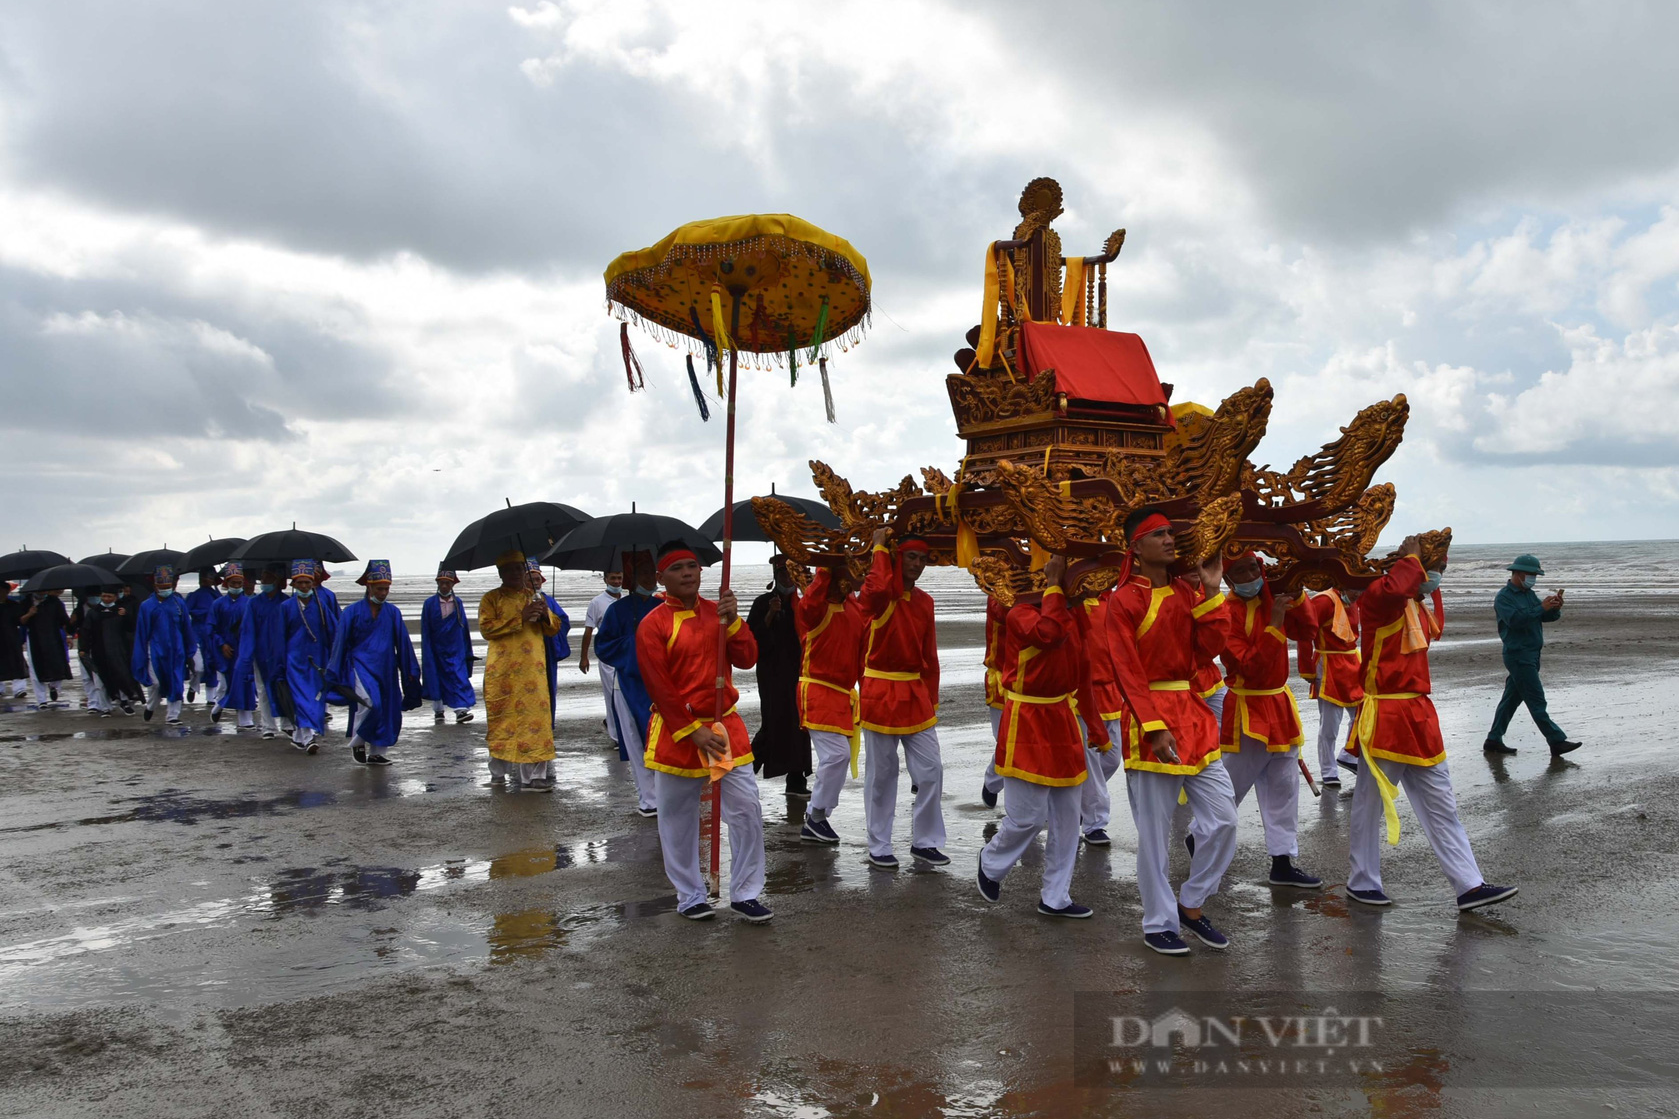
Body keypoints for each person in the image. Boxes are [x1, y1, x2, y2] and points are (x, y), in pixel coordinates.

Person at [1344, 535, 1517, 913]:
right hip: (1386, 714)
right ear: (1410, 566)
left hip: (1419, 716)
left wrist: (1422, 570)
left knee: (1442, 804)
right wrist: (1411, 558)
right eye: (1433, 568)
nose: (1435, 576)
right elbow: (1393, 591)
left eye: (1440, 570)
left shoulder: (1413, 604)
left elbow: (1432, 620)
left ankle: (1469, 886)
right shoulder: (1377, 597)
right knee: (1368, 804)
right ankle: (1362, 881)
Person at [1106, 507, 1236, 956]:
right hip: (1151, 722)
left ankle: (1192, 904)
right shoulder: (1122, 601)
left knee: (1224, 820)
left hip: (1193, 713)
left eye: (1170, 532)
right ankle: (1158, 921)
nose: (1168, 539)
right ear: (1135, 548)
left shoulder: (1186, 591)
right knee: (1154, 834)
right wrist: (1153, 727)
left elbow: (1207, 651)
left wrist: (1214, 592)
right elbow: (1126, 671)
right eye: (1157, 534)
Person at [635, 542, 771, 923]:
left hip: (722, 729)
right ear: (662, 578)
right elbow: (658, 686)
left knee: (745, 810)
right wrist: (691, 731)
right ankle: (690, 894)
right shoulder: (654, 624)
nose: (688, 573)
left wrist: (737, 622)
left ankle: (746, 892)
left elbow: (747, 659)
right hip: (680, 732)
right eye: (677, 568)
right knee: (678, 819)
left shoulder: (719, 613)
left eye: (692, 566)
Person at [976, 556, 1110, 917]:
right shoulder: (1020, 613)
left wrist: (1096, 727)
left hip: (1063, 718)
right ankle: (991, 863)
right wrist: (1054, 585)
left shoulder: (1071, 615)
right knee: (1028, 817)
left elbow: (1083, 674)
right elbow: (1047, 634)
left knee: (1068, 818)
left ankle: (1056, 896)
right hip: (1027, 718)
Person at [1190, 553, 1322, 889]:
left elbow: (1308, 629)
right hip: (1247, 709)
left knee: (1284, 788)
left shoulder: (1270, 598)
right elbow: (1249, 664)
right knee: (1230, 786)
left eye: (1254, 568)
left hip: (1279, 704)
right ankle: (1197, 836)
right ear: (1228, 579)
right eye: (1240, 571)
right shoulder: (1225, 612)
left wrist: (1297, 596)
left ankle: (1283, 861)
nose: (1251, 575)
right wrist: (1275, 624)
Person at [857, 530, 947, 869]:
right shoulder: (879, 597)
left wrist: (932, 697)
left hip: (915, 693)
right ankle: (879, 843)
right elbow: (877, 588)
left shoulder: (925, 601)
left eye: (923, 559)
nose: (918, 565)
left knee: (931, 770)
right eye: (911, 557)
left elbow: (930, 654)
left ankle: (925, 842)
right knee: (882, 774)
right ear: (897, 557)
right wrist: (879, 547)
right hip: (880, 690)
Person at [792, 559, 866, 844]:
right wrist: (826, 567)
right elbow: (809, 602)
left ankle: (817, 816)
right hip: (817, 689)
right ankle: (816, 816)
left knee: (838, 756)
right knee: (837, 756)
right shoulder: (814, 608)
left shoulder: (854, 608)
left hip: (843, 694)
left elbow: (861, 655)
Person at [478, 550, 565, 790]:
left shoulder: (535, 596)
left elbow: (554, 627)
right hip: (502, 671)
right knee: (502, 721)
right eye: (510, 569)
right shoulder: (491, 599)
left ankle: (534, 777)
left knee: (536, 720)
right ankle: (498, 773)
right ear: (501, 573)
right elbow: (487, 629)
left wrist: (544, 613)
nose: (515, 573)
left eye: (519, 568)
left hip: (533, 671)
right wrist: (521, 617)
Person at [1484, 554, 1579, 758]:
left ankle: (1493, 740)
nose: (1533, 578)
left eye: (1535, 574)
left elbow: (1542, 617)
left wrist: (1554, 609)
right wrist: (1540, 608)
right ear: (1517, 573)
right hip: (1518, 655)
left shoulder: (1529, 594)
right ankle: (1556, 740)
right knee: (1537, 700)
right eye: (1530, 574)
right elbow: (1515, 620)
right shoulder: (1504, 597)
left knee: (1510, 699)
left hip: (1532, 654)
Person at [328, 560, 421, 766]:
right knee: (369, 703)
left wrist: (410, 670)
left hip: (386, 667)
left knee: (388, 707)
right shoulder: (351, 612)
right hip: (360, 665)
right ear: (368, 586)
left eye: (386, 589)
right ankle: (358, 741)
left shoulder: (393, 612)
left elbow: (403, 643)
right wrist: (334, 670)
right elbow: (340, 642)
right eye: (379, 589)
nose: (383, 593)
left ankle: (377, 752)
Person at [594, 551, 662, 817]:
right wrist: (632, 643)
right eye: (643, 573)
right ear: (633, 578)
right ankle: (648, 798)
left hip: (656, 684)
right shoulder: (617, 610)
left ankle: (665, 793)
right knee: (635, 739)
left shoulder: (662, 607)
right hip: (627, 683)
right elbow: (604, 646)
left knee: (658, 736)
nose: (649, 578)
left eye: (652, 573)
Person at [747, 554, 813, 798]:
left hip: (798, 671)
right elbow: (753, 638)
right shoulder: (763, 602)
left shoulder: (802, 602)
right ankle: (746, 769)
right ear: (776, 576)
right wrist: (770, 614)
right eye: (783, 574)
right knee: (773, 720)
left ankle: (796, 778)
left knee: (799, 724)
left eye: (791, 574)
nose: (787, 578)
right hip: (772, 673)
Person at [1074, 580, 1126, 846]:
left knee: (1112, 758)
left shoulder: (1114, 601)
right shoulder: (1073, 602)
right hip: (1083, 692)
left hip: (1112, 691)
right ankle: (1095, 822)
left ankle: (1079, 801)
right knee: (1092, 762)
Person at [1301, 584, 1362, 787]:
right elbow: (1305, 632)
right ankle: (1329, 771)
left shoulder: (1353, 601)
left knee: (1362, 714)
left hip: (1352, 664)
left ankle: (1349, 754)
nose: (1358, 594)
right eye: (1356, 588)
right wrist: (1307, 668)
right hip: (1329, 666)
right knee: (1329, 724)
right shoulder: (1323, 601)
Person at [131, 565, 198, 725]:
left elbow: (186, 628)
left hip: (176, 650)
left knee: (176, 681)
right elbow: (142, 632)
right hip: (154, 650)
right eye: (162, 587)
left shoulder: (178, 604)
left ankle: (173, 716)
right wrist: (140, 654)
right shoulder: (147, 606)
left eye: (168, 587)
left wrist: (190, 650)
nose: (165, 590)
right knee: (156, 683)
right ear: (155, 586)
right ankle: (151, 705)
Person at [282, 560, 336, 753]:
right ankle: (309, 738)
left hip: (318, 661)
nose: (304, 586)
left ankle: (298, 737)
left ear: (313, 583)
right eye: (300, 583)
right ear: (294, 585)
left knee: (314, 698)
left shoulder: (322, 607)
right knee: (299, 698)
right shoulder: (286, 607)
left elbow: (333, 632)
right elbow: (280, 637)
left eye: (307, 582)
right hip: (294, 661)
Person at [237, 565, 292, 739]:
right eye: (263, 578)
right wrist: (246, 655)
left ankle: (287, 723)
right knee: (263, 689)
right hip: (261, 653)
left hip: (282, 653)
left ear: (277, 580)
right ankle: (268, 726)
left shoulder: (286, 602)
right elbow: (248, 630)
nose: (264, 582)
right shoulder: (253, 603)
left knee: (284, 687)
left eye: (268, 578)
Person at [578, 569, 626, 752]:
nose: (616, 581)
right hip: (608, 656)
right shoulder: (597, 603)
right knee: (612, 696)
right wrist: (584, 657)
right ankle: (616, 737)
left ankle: (626, 731)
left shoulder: (627, 601)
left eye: (619, 577)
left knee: (627, 694)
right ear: (605, 579)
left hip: (627, 653)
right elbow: (588, 631)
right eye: (613, 578)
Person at [420, 567, 476, 723]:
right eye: (442, 583)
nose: (445, 586)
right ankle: (438, 709)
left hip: (455, 647)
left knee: (459, 676)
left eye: (448, 583)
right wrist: (428, 648)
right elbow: (426, 628)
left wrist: (465, 649)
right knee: (436, 676)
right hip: (437, 647)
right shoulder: (429, 603)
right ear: (438, 583)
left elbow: (463, 625)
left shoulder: (458, 603)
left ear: (453, 585)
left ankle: (461, 710)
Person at [76, 588, 141, 716]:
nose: (106, 599)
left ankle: (124, 702)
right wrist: (83, 649)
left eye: (109, 596)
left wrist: (126, 616)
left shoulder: (120, 611)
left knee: (122, 676)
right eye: (104, 596)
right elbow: (86, 631)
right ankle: (105, 707)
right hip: (98, 651)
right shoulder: (93, 613)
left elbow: (131, 628)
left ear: (115, 597)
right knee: (100, 680)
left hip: (118, 650)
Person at [209, 563, 256, 729]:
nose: (236, 586)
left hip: (244, 650)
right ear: (226, 583)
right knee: (225, 683)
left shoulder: (250, 603)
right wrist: (222, 644)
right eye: (233, 583)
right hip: (225, 651)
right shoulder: (218, 604)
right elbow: (211, 629)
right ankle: (219, 704)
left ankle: (245, 719)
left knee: (244, 682)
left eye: (239, 583)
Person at [527, 559, 572, 724]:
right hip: (526, 654)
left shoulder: (549, 600)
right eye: (530, 579)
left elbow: (564, 622)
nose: (534, 583)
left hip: (547, 650)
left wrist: (548, 617)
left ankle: (547, 723)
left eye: (537, 579)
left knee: (547, 687)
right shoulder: (519, 602)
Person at [978, 594, 1009, 809]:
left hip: (1034, 678)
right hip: (1002, 678)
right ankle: (992, 781)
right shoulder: (999, 592)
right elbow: (1004, 613)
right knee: (1007, 742)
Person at [20, 588, 73, 709]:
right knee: (35, 668)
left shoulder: (55, 602)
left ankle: (53, 685)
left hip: (53, 637)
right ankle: (41, 700)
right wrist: (29, 614)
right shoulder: (26, 602)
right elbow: (20, 621)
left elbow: (64, 621)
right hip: (34, 639)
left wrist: (68, 636)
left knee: (57, 664)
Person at [183, 568, 221, 705]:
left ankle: (211, 697)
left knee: (212, 664)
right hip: (197, 633)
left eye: (210, 577)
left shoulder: (216, 595)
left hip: (212, 634)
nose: (206, 580)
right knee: (198, 666)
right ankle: (193, 686)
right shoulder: (194, 595)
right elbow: (185, 612)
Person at [1, 583, 29, 699]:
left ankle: (19, 689)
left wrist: (29, 614)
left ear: (7, 592)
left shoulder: (13, 605)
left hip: (11, 637)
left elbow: (20, 621)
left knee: (17, 662)